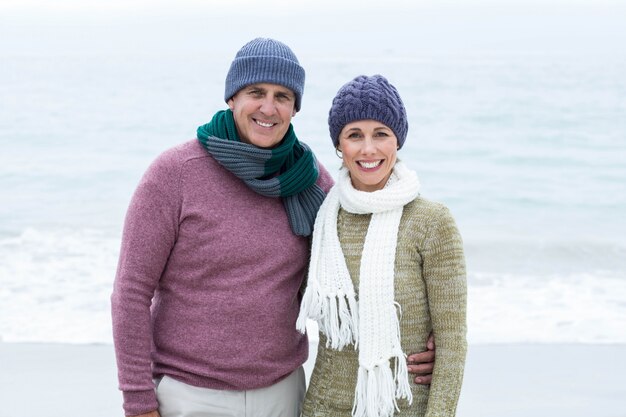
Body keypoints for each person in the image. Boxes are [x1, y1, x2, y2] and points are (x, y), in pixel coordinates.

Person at [111, 38, 435, 417]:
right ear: (232, 97)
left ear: (295, 108)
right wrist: (138, 402)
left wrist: (419, 342)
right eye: (256, 92)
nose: (268, 107)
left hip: (284, 393)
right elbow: (130, 293)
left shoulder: (310, 180)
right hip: (189, 394)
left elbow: (361, 269)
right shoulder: (174, 174)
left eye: (283, 96)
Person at [297, 75, 467, 417]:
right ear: (339, 146)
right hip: (324, 407)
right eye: (354, 135)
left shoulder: (432, 222)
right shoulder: (322, 220)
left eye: (381, 134)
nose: (368, 149)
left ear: (398, 141)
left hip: (406, 408)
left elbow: (452, 344)